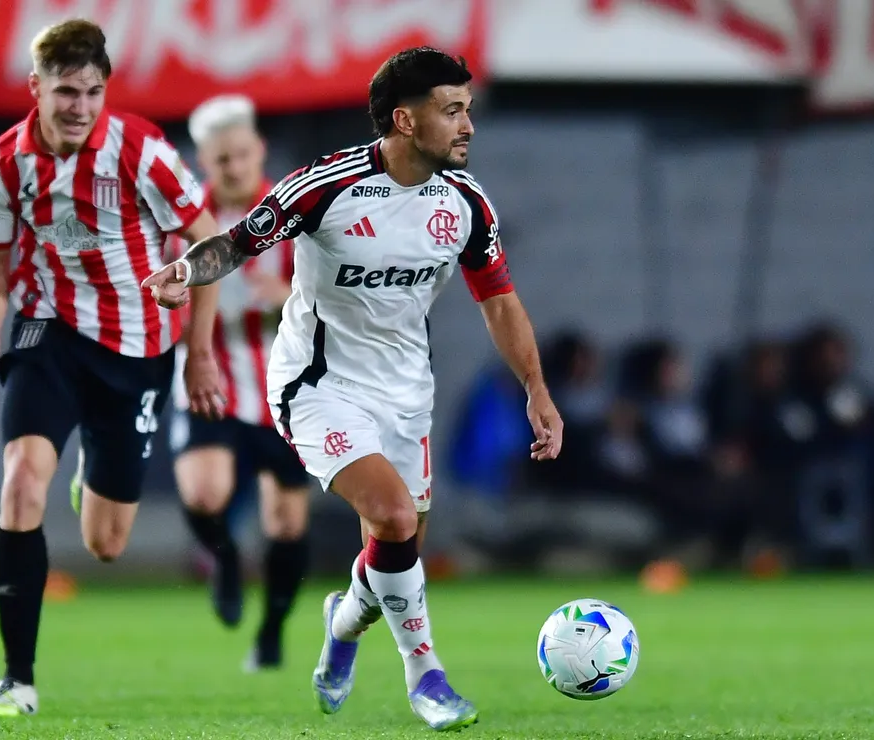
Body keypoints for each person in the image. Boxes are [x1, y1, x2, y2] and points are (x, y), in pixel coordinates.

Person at [143, 47, 563, 732]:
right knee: (394, 521)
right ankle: (426, 676)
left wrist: (536, 389)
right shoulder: (325, 186)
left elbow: (499, 302)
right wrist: (186, 271)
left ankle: (341, 624)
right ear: (404, 118)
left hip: (405, 395)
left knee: (396, 552)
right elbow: (237, 243)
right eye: (452, 110)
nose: (468, 126)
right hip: (317, 387)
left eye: (467, 110)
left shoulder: (465, 202)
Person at [0, 19, 224, 718]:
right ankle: (17, 680)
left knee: (106, 544)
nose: (79, 106)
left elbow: (214, 248)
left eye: (92, 91)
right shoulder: (6, 161)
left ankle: (92, 478)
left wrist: (197, 354)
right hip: (45, 332)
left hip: (135, 349)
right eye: (65, 91)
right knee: (19, 483)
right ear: (35, 89)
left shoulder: (140, 151)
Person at [168, 94, 311, 671]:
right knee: (203, 494)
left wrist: (294, 298)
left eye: (242, 155)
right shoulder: (183, 223)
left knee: (287, 524)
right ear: (204, 160)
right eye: (221, 159)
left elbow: (342, 296)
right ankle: (224, 557)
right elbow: (157, 296)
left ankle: (272, 630)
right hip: (210, 379)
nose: (233, 168)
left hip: (284, 387)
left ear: (259, 150)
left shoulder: (294, 214)